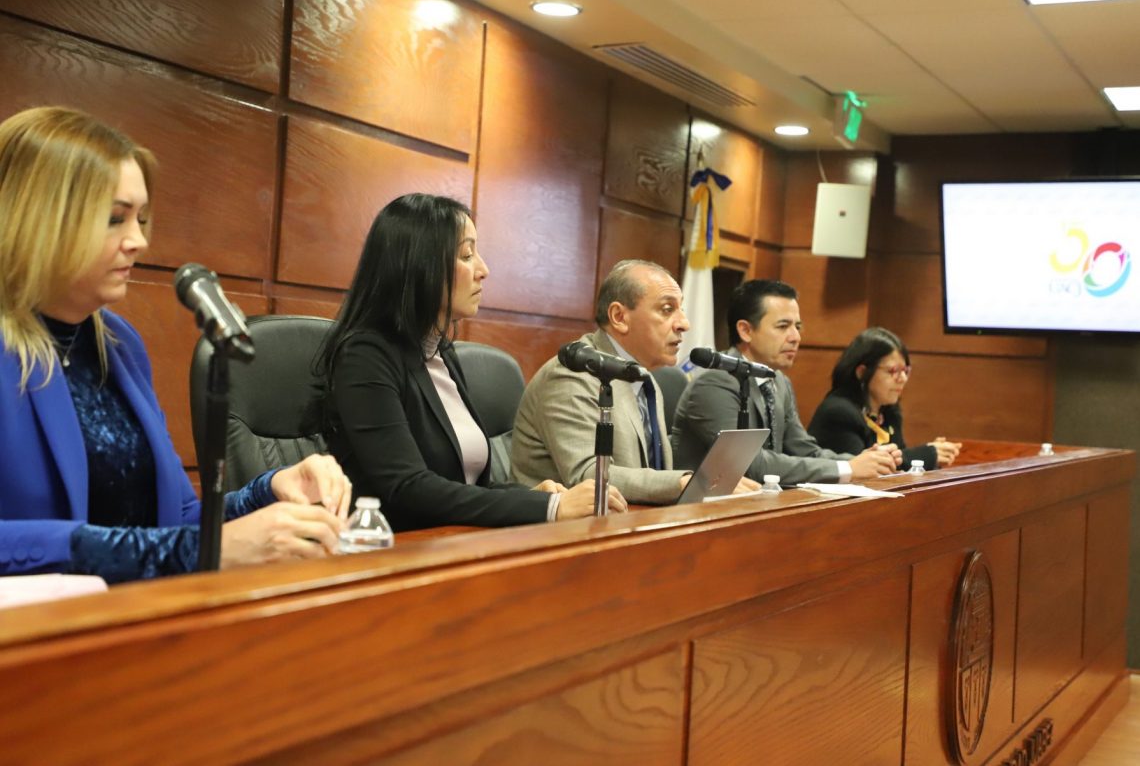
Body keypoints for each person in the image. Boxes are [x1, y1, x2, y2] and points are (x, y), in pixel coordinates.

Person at [0, 106, 351, 582]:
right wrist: (190, 552)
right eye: (114, 218)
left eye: (141, 219)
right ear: (38, 218)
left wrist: (270, 491)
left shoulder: (118, 344)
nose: (139, 241)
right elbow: (169, 548)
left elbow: (174, 522)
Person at [315, 193, 624, 532]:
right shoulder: (365, 356)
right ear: (419, 265)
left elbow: (465, 485)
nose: (483, 270)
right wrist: (549, 508)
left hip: (450, 541)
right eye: (466, 255)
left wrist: (528, 497)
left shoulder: (441, 352)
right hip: (388, 548)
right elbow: (407, 486)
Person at [512, 259, 757, 504]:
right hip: (561, 525)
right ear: (619, 317)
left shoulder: (644, 377)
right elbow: (589, 475)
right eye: (667, 309)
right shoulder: (572, 374)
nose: (684, 323)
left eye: (681, 309)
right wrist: (682, 482)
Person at [671, 279, 901, 485]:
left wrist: (867, 461)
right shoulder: (715, 382)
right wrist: (848, 469)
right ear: (745, 330)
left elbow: (804, 450)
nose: (796, 337)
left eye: (797, 327)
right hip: (702, 510)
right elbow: (749, 466)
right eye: (783, 327)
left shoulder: (779, 381)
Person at [808, 327, 961, 470]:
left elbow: (899, 464)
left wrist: (928, 457)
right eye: (893, 371)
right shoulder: (839, 412)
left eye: (905, 370)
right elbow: (866, 469)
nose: (902, 378)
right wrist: (927, 454)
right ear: (862, 372)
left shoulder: (889, 411)